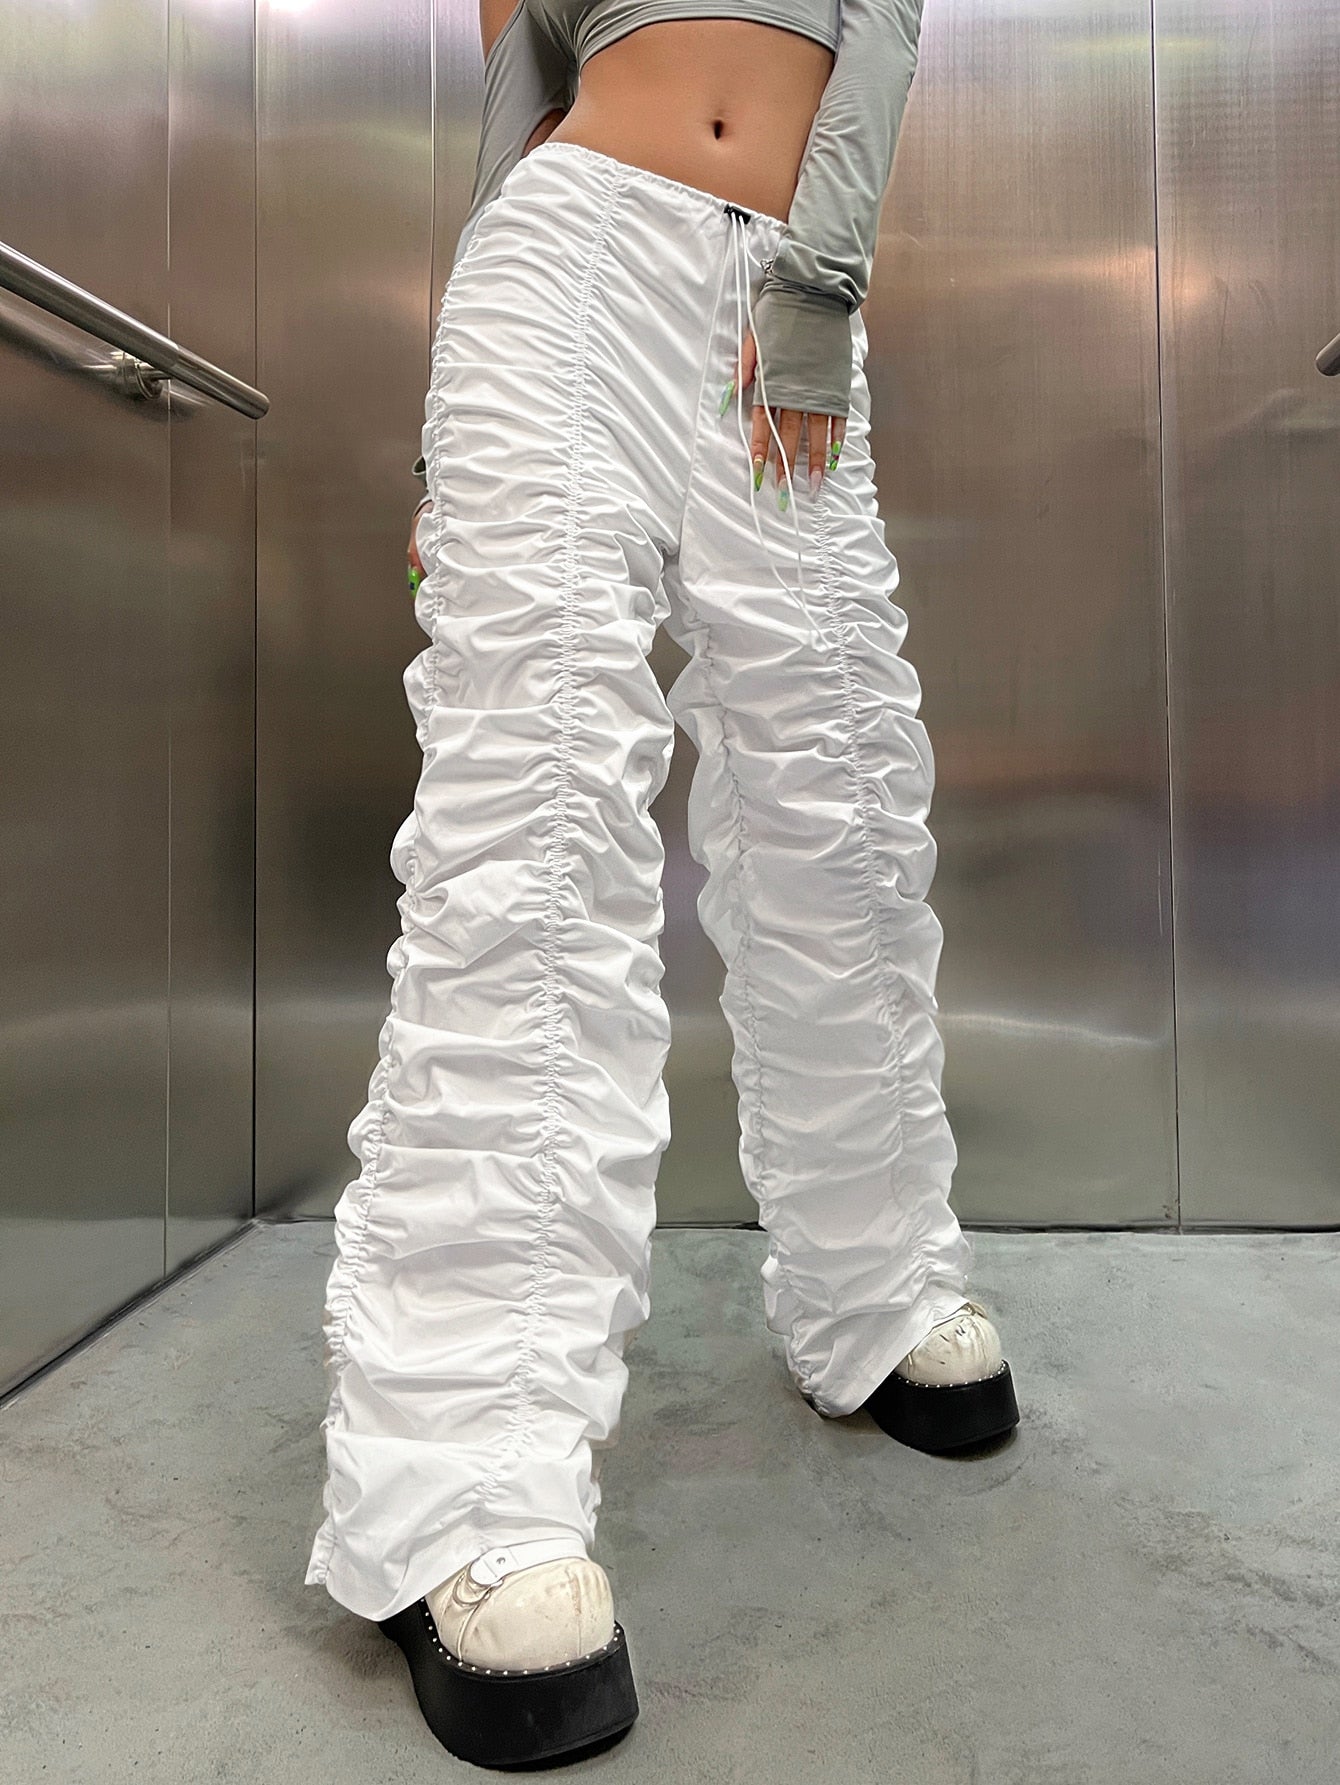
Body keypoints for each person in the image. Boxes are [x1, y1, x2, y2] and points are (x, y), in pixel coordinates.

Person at [306, 0, 1020, 1767]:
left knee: (842, 801)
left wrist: (821, 285)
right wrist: (452, 440)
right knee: (532, 824)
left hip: (782, 296)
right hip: (564, 276)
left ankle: (874, 1289)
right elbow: (519, 97)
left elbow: (881, 36)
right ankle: (466, 1481)